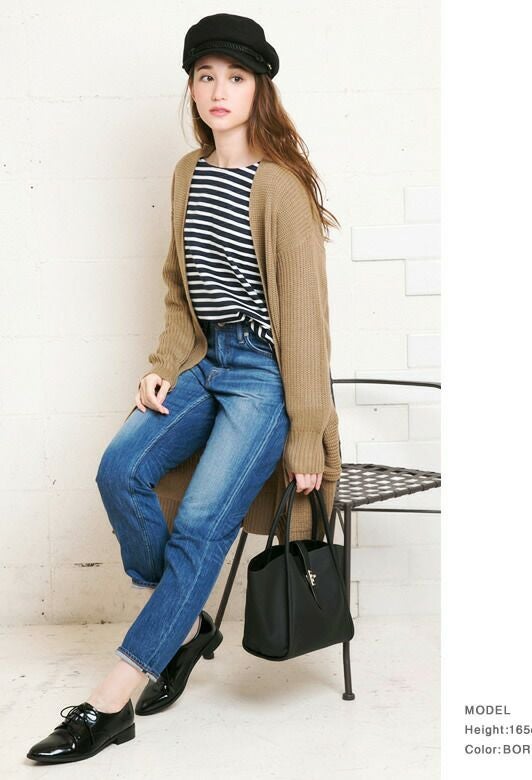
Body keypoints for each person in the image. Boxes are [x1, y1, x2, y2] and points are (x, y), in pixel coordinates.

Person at [26, 13, 342, 764]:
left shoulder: (281, 189)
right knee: (120, 468)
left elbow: (306, 324)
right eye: (206, 76)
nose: (218, 90)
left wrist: (307, 433)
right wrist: (165, 362)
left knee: (201, 524)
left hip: (266, 375)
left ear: (260, 89)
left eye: (235, 77)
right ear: (192, 88)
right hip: (207, 360)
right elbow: (180, 288)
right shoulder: (186, 173)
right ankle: (187, 621)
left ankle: (113, 701)